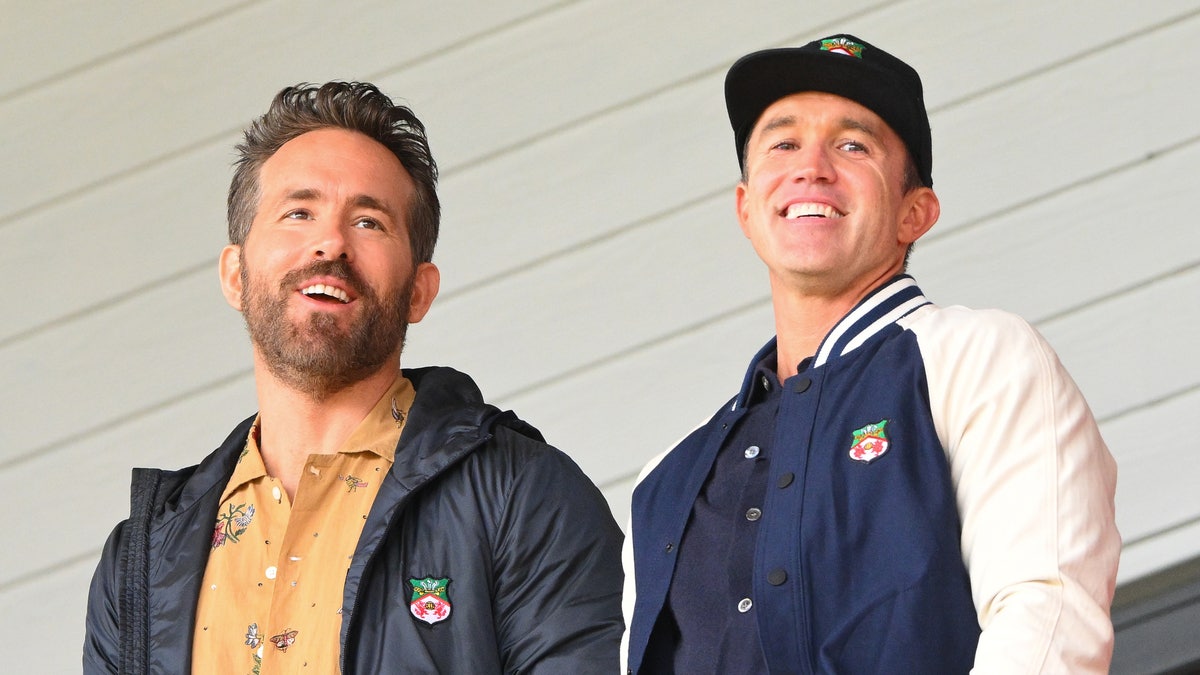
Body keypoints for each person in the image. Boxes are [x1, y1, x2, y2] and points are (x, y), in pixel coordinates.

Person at [84, 81, 623, 674]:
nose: (330, 242)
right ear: (235, 273)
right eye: (299, 212)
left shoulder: (525, 496)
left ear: (419, 291)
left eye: (369, 222)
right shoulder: (140, 560)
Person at [623, 35, 1120, 673]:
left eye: (853, 144)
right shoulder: (666, 476)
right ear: (747, 208)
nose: (812, 167)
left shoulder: (977, 357)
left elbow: (1047, 620)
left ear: (916, 213)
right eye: (782, 142)